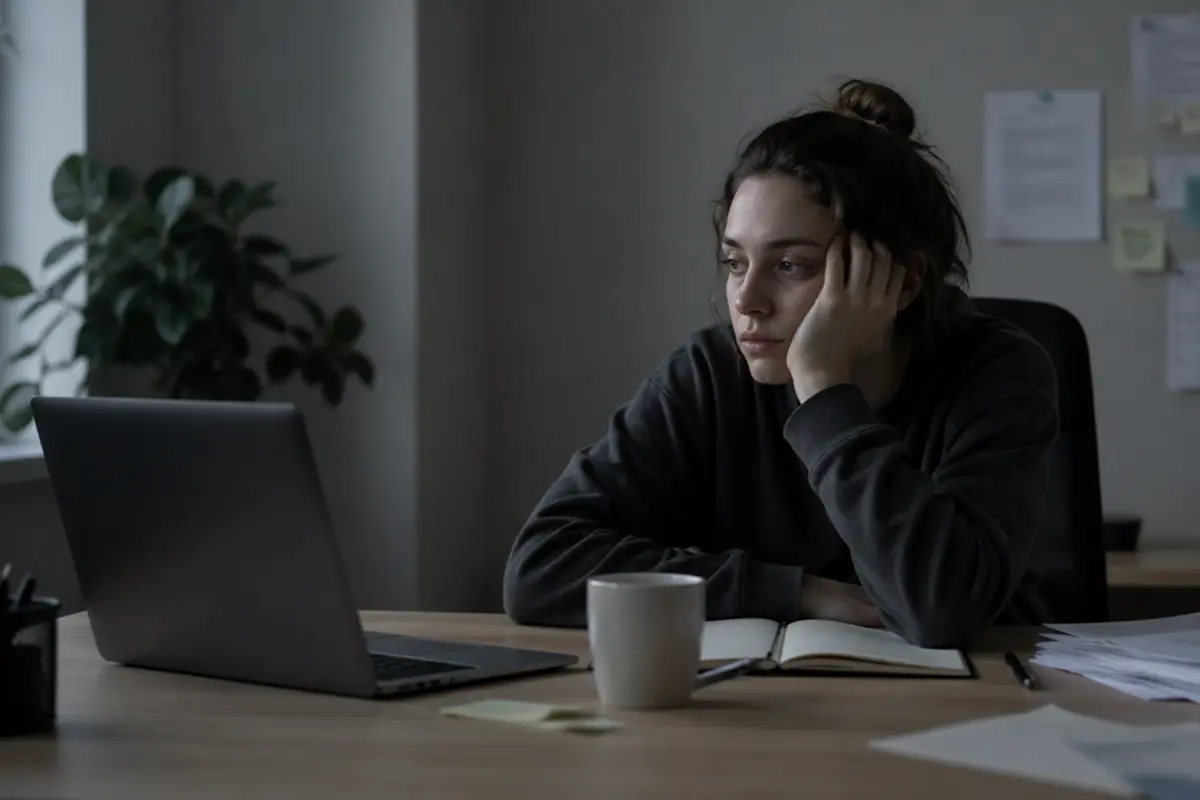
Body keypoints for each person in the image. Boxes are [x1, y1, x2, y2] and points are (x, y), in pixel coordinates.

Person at [501, 78, 1059, 649]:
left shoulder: (999, 373)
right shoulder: (708, 375)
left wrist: (822, 385)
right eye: (735, 261)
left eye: (790, 265)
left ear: (903, 281)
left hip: (972, 709)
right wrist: (798, 594)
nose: (746, 301)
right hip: (759, 710)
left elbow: (940, 608)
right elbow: (541, 567)